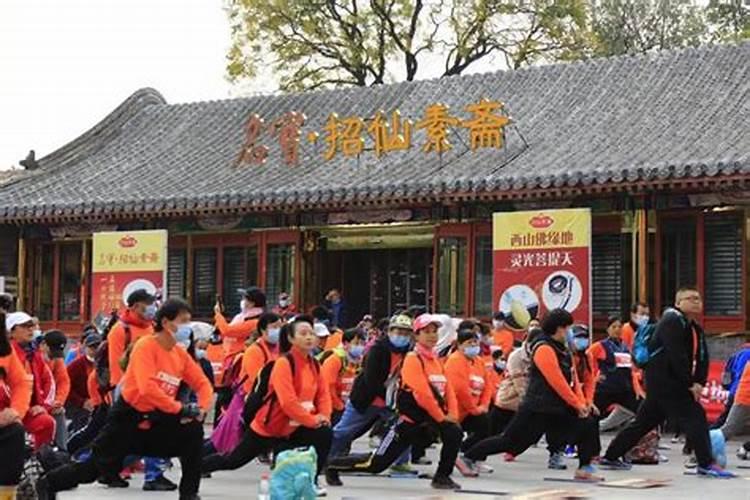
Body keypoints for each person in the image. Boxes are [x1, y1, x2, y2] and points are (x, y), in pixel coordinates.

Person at [36, 299, 213, 500]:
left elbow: (202, 383)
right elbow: (147, 388)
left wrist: (201, 408)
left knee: (193, 433)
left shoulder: (179, 354)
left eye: (188, 322)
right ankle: (47, 483)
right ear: (165, 322)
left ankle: (189, 494)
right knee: (93, 469)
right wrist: (180, 409)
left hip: (159, 419)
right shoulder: (145, 347)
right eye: (183, 321)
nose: (187, 327)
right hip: (128, 418)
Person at [601, 287, 733, 478]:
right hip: (667, 383)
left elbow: (702, 356)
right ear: (678, 303)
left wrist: (700, 382)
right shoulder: (672, 321)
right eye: (691, 298)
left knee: (643, 423)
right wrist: (689, 383)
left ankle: (611, 456)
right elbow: (676, 355)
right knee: (695, 417)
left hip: (665, 384)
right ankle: (705, 463)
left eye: (698, 298)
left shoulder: (693, 326)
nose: (696, 301)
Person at [326, 313, 464, 490]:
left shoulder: (433, 359)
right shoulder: (408, 357)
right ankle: (332, 462)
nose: (432, 335)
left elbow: (447, 387)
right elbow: (422, 393)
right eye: (426, 331)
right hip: (374, 402)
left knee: (454, 432)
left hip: (414, 415)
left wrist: (452, 414)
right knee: (370, 460)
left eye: (434, 331)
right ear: (417, 335)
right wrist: (441, 418)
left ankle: (440, 476)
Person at [464, 309, 603, 481]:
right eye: (568, 328)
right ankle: (468, 456)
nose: (570, 332)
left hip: (557, 407)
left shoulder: (564, 350)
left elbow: (573, 379)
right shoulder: (543, 348)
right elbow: (557, 381)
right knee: (511, 442)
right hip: (537, 406)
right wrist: (576, 404)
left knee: (588, 422)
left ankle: (584, 467)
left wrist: (584, 403)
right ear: (559, 328)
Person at [201, 316, 332, 495]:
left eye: (311, 333)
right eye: (303, 333)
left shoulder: (315, 365)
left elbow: (323, 395)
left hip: (296, 427)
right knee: (232, 461)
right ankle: (195, 467)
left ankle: (311, 482)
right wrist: (312, 420)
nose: (309, 337)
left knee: (324, 434)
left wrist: (324, 416)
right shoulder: (283, 364)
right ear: (291, 339)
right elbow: (287, 402)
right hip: (270, 426)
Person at [325, 313, 413, 482]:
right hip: (367, 399)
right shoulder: (377, 350)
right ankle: (327, 459)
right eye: (398, 331)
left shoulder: (408, 353)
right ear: (389, 331)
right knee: (343, 432)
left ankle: (401, 462)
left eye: (405, 333)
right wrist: (388, 401)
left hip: (389, 402)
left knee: (405, 428)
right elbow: (371, 380)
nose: (401, 336)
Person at [546, 324, 599, 470]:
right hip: (561, 396)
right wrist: (578, 403)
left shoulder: (587, 356)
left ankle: (588, 458)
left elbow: (589, 381)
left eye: (584, 337)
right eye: (578, 337)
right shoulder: (565, 355)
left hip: (578, 395)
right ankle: (556, 452)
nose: (582, 341)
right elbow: (568, 381)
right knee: (557, 422)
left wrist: (588, 402)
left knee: (590, 419)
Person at [446, 328, 493, 477]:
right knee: (453, 436)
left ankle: (472, 457)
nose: (473, 346)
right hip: (457, 409)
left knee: (485, 427)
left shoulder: (478, 361)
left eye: (475, 342)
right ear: (459, 345)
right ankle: (455, 460)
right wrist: (473, 408)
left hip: (474, 408)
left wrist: (484, 405)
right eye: (469, 343)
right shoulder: (454, 361)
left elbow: (488, 384)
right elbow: (460, 389)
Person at [6, 311, 56, 450]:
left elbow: (49, 382)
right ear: (12, 332)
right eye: (24, 326)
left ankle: (39, 461)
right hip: (7, 411)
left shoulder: (35, 354)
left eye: (31, 326)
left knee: (47, 422)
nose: (30, 329)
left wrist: (44, 406)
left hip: (29, 411)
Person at [0, 312, 32, 500]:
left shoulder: (5, 350)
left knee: (15, 432)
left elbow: (20, 383)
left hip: (3, 418)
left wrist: (15, 411)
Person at [590, 316, 644, 418]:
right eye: (613, 327)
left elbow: (631, 372)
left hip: (625, 390)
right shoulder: (600, 346)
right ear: (608, 329)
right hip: (605, 390)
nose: (617, 329)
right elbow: (587, 359)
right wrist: (594, 377)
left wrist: (637, 389)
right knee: (593, 416)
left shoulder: (625, 348)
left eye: (619, 327)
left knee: (642, 409)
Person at [108, 289, 158, 388]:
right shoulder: (119, 330)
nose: (152, 307)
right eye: (148, 304)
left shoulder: (153, 326)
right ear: (135, 306)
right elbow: (116, 367)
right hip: (129, 388)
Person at [320, 328, 366, 425]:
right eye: (356, 343)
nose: (360, 347)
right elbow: (327, 386)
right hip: (333, 408)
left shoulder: (359, 361)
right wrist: (339, 406)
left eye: (362, 343)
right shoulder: (335, 360)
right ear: (345, 343)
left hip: (347, 406)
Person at [40, 330, 71, 450]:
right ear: (43, 344)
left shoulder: (57, 359)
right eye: (52, 351)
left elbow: (64, 382)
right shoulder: (33, 357)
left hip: (48, 402)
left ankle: (62, 452)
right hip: (32, 401)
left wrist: (58, 402)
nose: (54, 356)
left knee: (60, 412)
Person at [214, 286, 266, 359]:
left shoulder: (254, 322)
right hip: (229, 355)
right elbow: (222, 331)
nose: (242, 301)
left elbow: (227, 331)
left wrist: (218, 314)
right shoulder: (242, 316)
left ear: (252, 303)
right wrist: (221, 315)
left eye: (245, 299)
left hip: (239, 357)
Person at [65, 333, 102, 434]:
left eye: (98, 346)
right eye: (92, 347)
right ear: (85, 348)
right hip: (78, 404)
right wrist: (82, 402)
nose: (95, 350)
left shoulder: (106, 363)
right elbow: (66, 386)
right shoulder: (76, 365)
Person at [239, 313, 283, 393]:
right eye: (275, 327)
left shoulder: (282, 348)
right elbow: (258, 380)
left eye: (281, 327)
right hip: (255, 398)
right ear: (263, 330)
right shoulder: (254, 351)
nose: (279, 330)